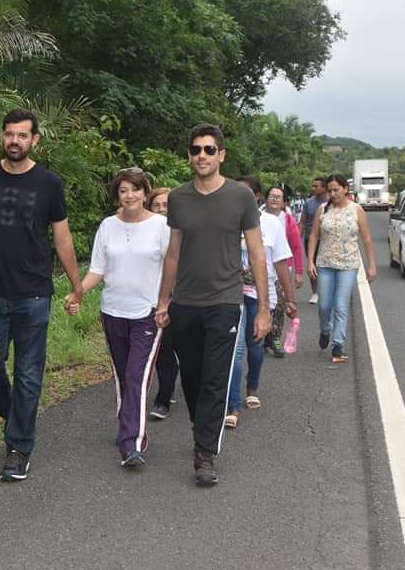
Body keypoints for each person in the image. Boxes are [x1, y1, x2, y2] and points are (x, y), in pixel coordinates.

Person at [0, 108, 85, 482]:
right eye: (9, 134)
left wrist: (76, 284)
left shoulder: (49, 183)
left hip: (33, 293)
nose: (15, 141)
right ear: (2, 137)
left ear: (36, 141)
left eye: (22, 135)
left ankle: (18, 448)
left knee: (29, 374)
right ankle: (13, 414)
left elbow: (61, 237)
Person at [155, 123, 271, 487]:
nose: (201, 155)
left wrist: (265, 309)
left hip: (225, 300)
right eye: (195, 150)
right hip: (184, 302)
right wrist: (163, 300)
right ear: (188, 155)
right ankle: (200, 425)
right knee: (191, 376)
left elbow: (256, 253)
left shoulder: (240, 197)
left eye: (208, 149)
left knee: (216, 377)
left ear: (221, 155)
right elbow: (173, 252)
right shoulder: (178, 198)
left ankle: (205, 453)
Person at [71, 170, 169, 467]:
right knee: (124, 375)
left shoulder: (162, 226)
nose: (130, 196)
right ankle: (128, 424)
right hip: (112, 310)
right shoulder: (107, 226)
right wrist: (78, 293)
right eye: (124, 191)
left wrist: (166, 303)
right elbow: (97, 269)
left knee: (137, 377)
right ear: (117, 195)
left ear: (145, 193)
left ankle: (132, 443)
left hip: (148, 313)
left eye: (136, 190)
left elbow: (173, 268)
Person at [225, 184, 297, 428]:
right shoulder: (224, 218)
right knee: (235, 349)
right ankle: (233, 405)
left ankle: (252, 387)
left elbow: (280, 262)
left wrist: (289, 298)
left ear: (255, 196)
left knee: (255, 344)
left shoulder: (271, 223)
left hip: (260, 294)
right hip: (231, 293)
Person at [306, 174, 377, 363]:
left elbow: (367, 239)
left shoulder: (356, 210)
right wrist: (310, 261)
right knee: (324, 306)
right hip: (325, 263)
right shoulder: (322, 210)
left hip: (348, 264)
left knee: (341, 305)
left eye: (336, 190)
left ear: (345, 189)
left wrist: (371, 265)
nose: (333, 193)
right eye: (329, 190)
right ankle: (325, 330)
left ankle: (337, 345)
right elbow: (313, 236)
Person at [145, 187, 178, 421]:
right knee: (163, 349)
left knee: (186, 349)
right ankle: (163, 399)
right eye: (157, 205)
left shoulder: (184, 231)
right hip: (154, 298)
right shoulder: (143, 232)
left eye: (167, 205)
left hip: (184, 297)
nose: (162, 210)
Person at [263, 186, 304, 359]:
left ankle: (274, 338)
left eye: (278, 197)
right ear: (265, 199)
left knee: (279, 306)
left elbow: (296, 247)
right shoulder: (254, 215)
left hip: (280, 269)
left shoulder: (287, 219)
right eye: (271, 196)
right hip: (257, 270)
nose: (274, 199)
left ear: (284, 202)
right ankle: (260, 335)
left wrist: (299, 272)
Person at [300, 176, 329, 304]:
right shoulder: (308, 203)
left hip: (327, 240)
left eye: (316, 186)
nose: (313, 189)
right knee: (312, 265)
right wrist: (297, 239)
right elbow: (302, 222)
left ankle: (327, 290)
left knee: (325, 265)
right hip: (310, 239)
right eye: (313, 186)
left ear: (324, 188)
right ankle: (315, 292)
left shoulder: (330, 202)